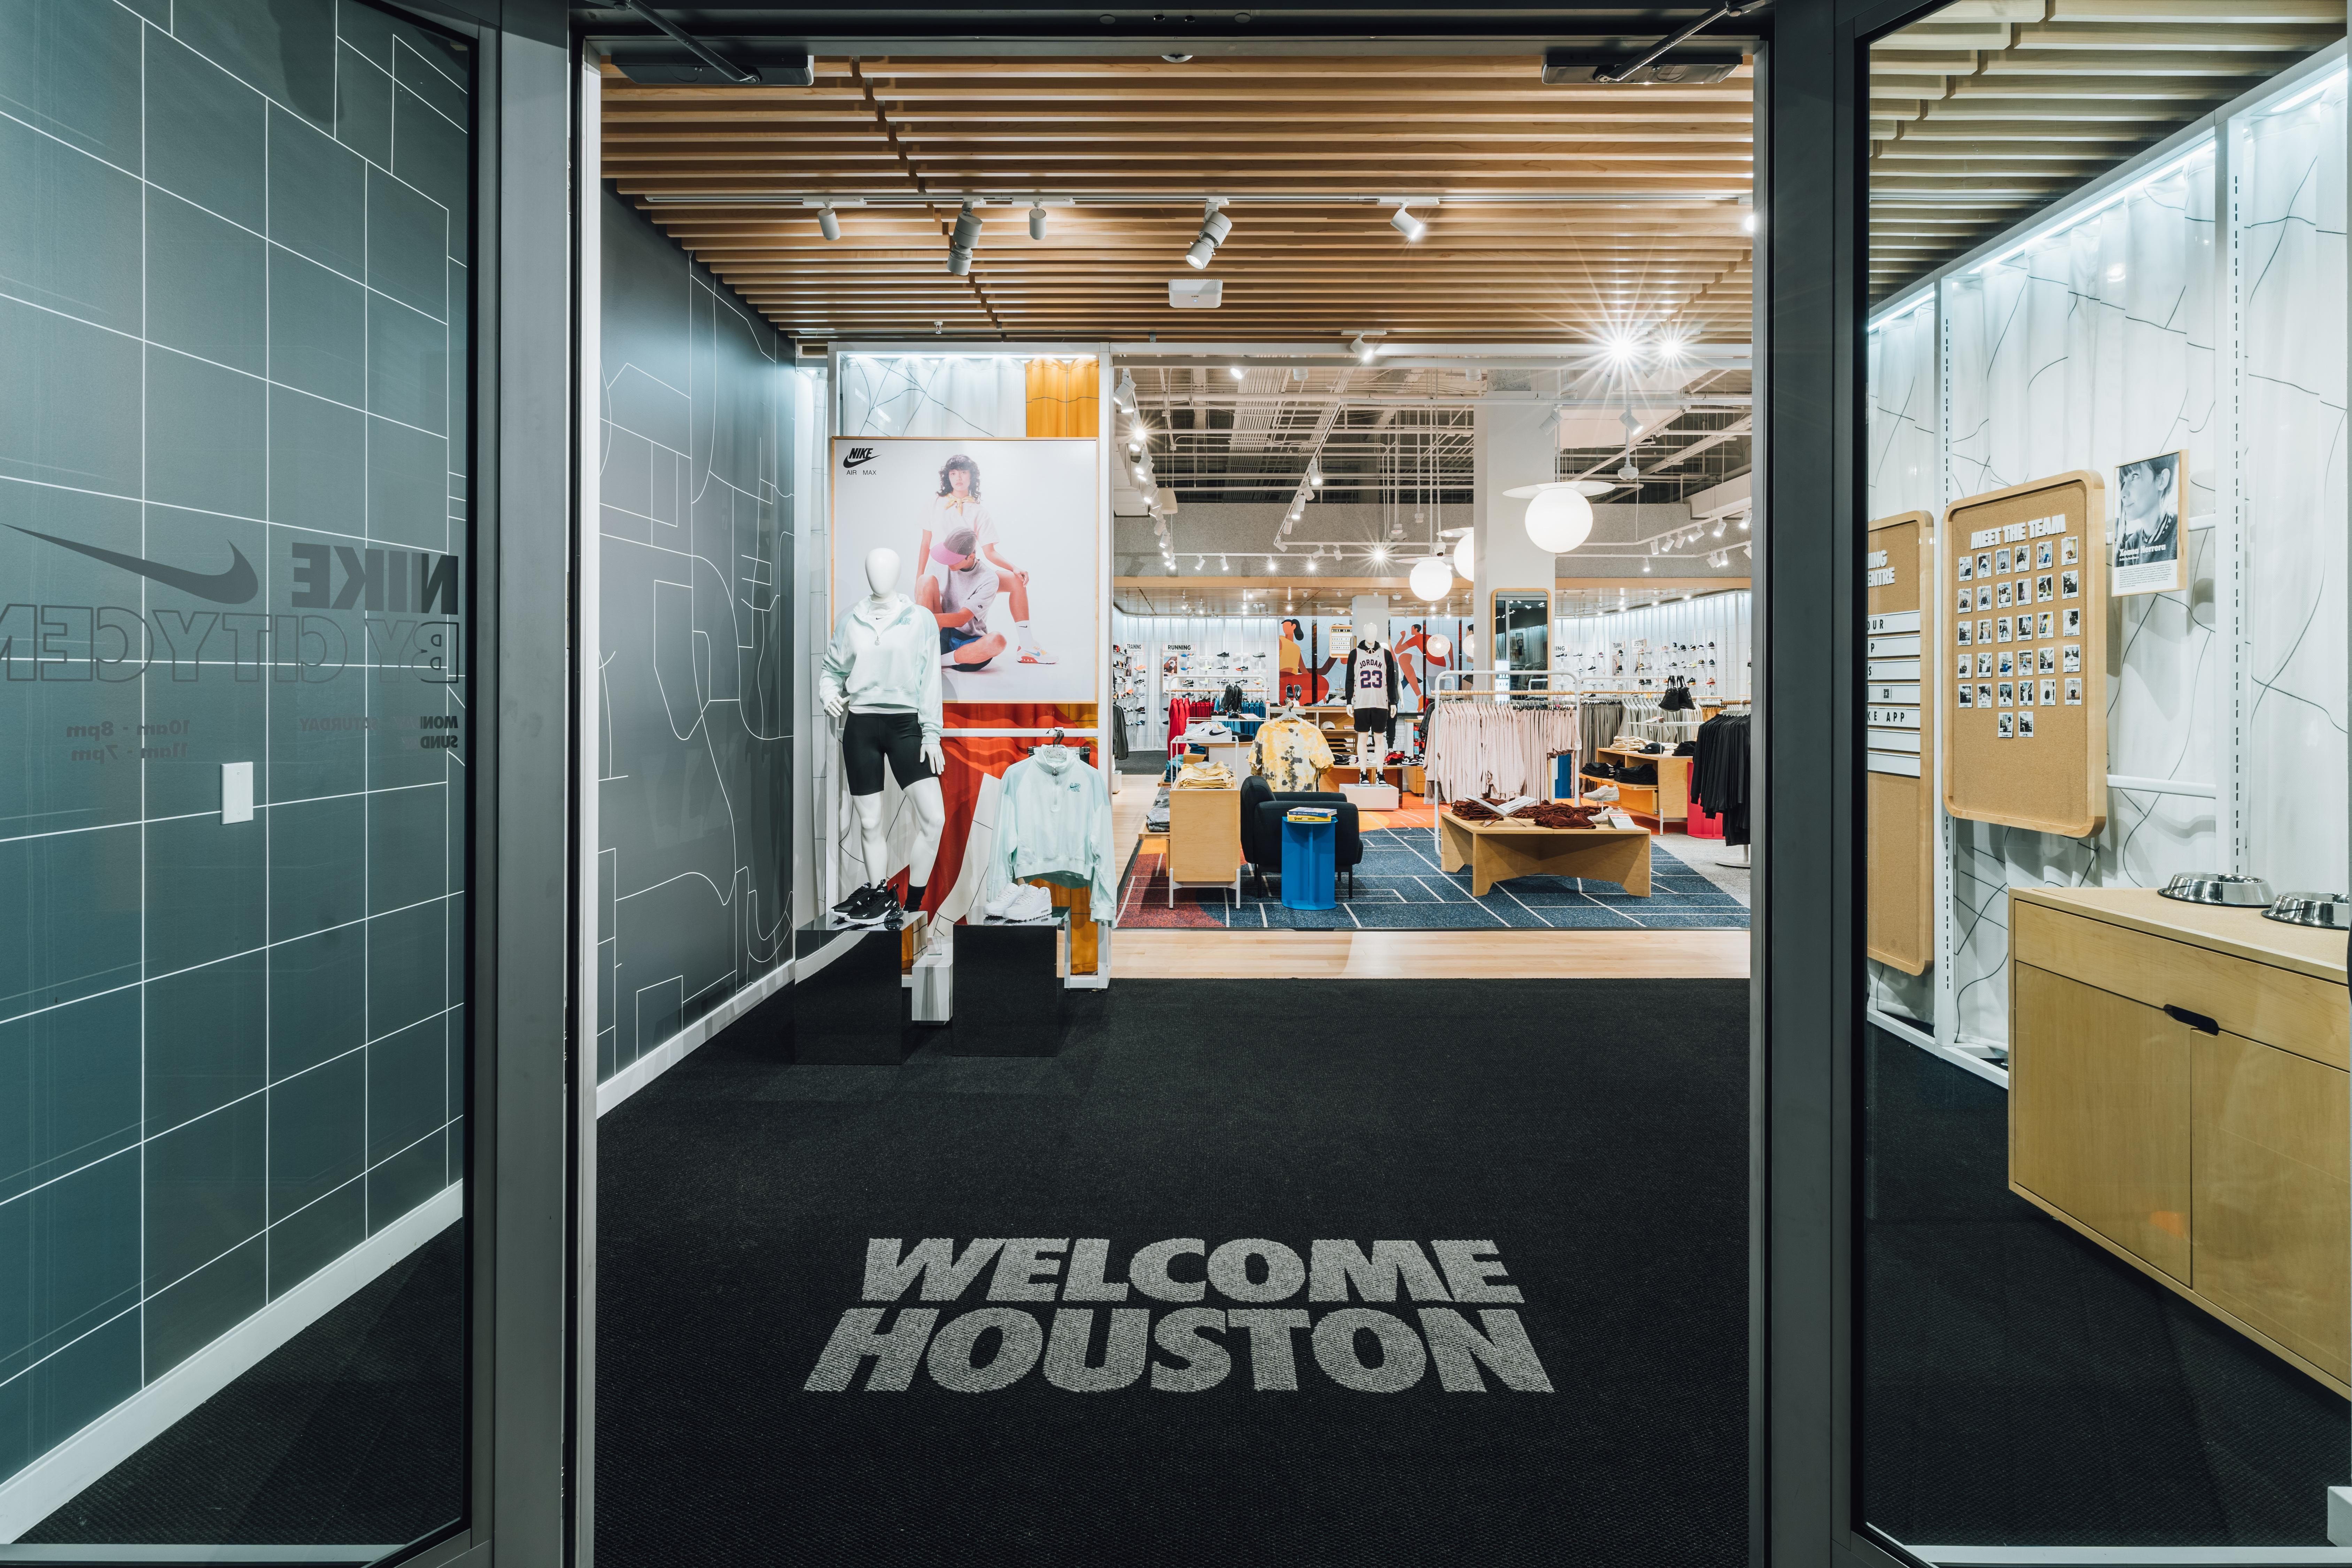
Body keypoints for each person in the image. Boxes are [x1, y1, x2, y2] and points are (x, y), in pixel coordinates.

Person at [913, 453, 1056, 665]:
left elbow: (989, 552)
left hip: (967, 570)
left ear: (972, 477)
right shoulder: (935, 503)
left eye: (963, 472)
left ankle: (1027, 646)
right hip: (943, 569)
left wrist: (1014, 568)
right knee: (925, 582)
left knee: (1016, 581)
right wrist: (919, 577)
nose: (959, 478)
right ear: (947, 477)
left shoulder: (979, 511)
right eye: (953, 473)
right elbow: (926, 544)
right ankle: (922, 650)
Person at [918, 528, 1009, 672]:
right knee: (925, 580)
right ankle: (924, 649)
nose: (949, 563)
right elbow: (925, 596)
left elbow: (962, 619)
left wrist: (919, 619)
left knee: (998, 641)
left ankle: (938, 661)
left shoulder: (989, 579)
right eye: (947, 557)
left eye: (954, 559)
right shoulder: (942, 561)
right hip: (940, 632)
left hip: (967, 643)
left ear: (971, 556)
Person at [2116, 454, 2179, 569]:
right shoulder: (2132, 544)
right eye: (2123, 483)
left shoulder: (2179, 531)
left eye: (2134, 477)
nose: (2123, 494)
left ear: (2162, 480)